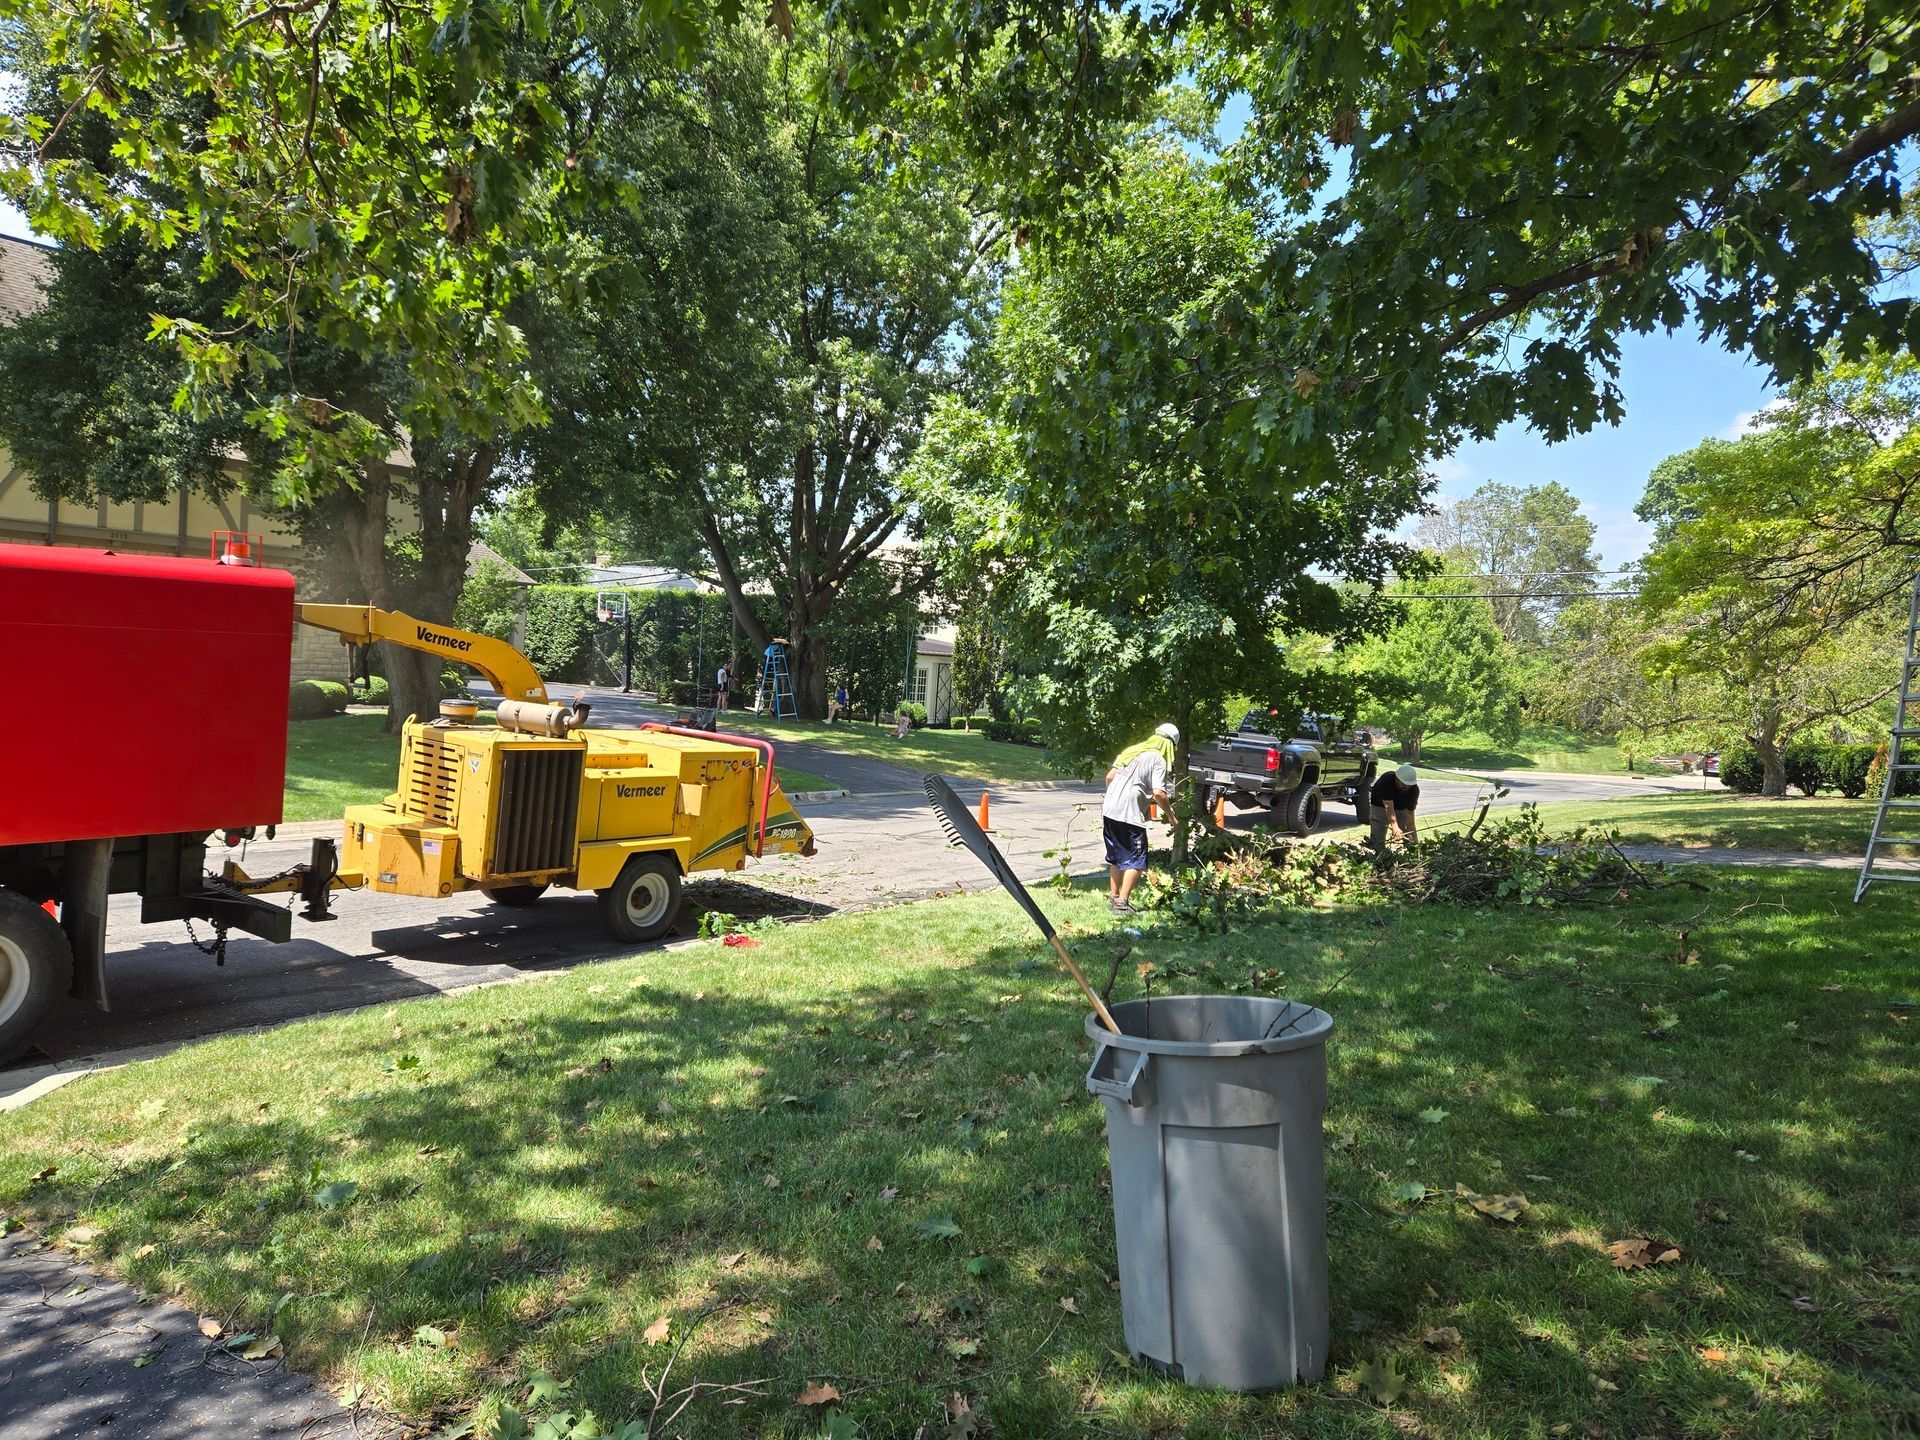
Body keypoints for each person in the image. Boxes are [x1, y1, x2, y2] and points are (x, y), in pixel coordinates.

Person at [1103, 723, 1177, 914]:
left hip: (1110, 809)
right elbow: (1159, 793)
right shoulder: (1158, 759)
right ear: (1170, 745)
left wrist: (1118, 796)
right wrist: (1171, 816)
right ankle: (1122, 903)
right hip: (1129, 814)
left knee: (1117, 857)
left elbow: (1110, 778)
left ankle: (1113, 898)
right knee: (1137, 860)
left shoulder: (1131, 751)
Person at [1371, 762, 1421, 849]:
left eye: (1408, 785)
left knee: (1408, 833)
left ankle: (1413, 851)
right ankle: (1378, 852)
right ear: (1397, 779)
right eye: (1403, 784)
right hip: (1379, 804)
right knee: (1378, 831)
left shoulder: (1414, 790)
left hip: (1400, 805)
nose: (1406, 787)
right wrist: (1395, 827)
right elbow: (1388, 807)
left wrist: (1411, 836)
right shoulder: (1387, 780)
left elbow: (1410, 816)